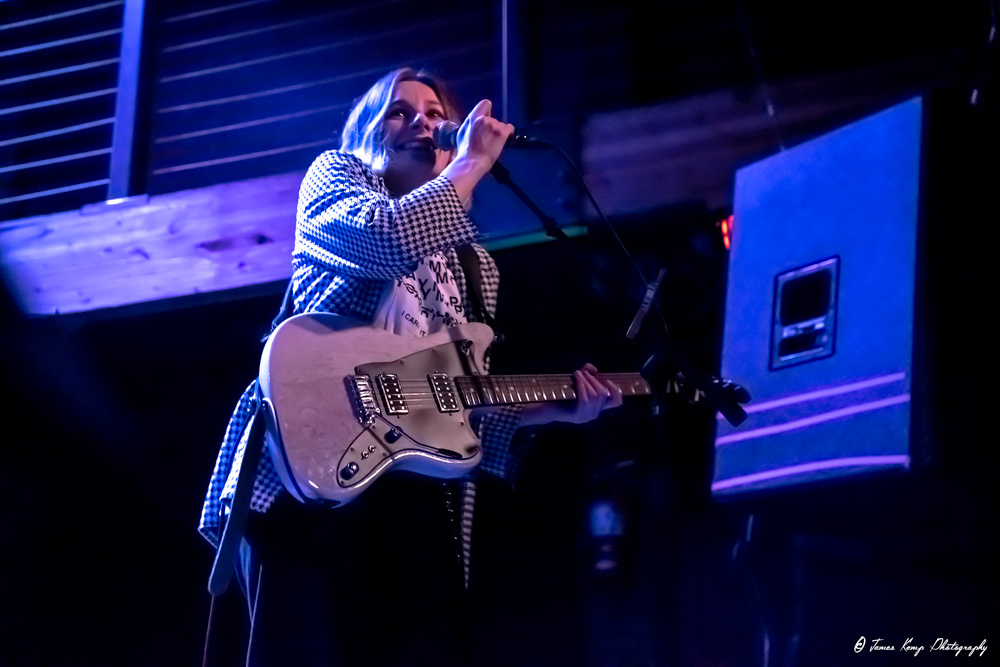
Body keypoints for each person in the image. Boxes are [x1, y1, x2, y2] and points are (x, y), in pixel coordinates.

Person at [199, 67, 623, 666]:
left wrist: (555, 411)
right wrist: (470, 164)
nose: (422, 122)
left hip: (419, 490)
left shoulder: (475, 264)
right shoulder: (336, 177)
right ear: (367, 134)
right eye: (400, 112)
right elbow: (387, 240)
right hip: (313, 469)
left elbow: (454, 400)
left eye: (434, 113)